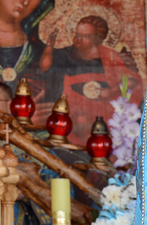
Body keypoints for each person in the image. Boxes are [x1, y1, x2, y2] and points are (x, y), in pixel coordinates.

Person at [40, 15, 143, 143]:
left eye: (85, 36)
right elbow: (44, 67)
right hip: (74, 102)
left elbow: (132, 79)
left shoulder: (109, 56)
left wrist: (112, 91)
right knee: (80, 120)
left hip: (103, 105)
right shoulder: (66, 53)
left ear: (97, 38)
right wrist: (49, 45)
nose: (78, 39)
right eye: (77, 35)